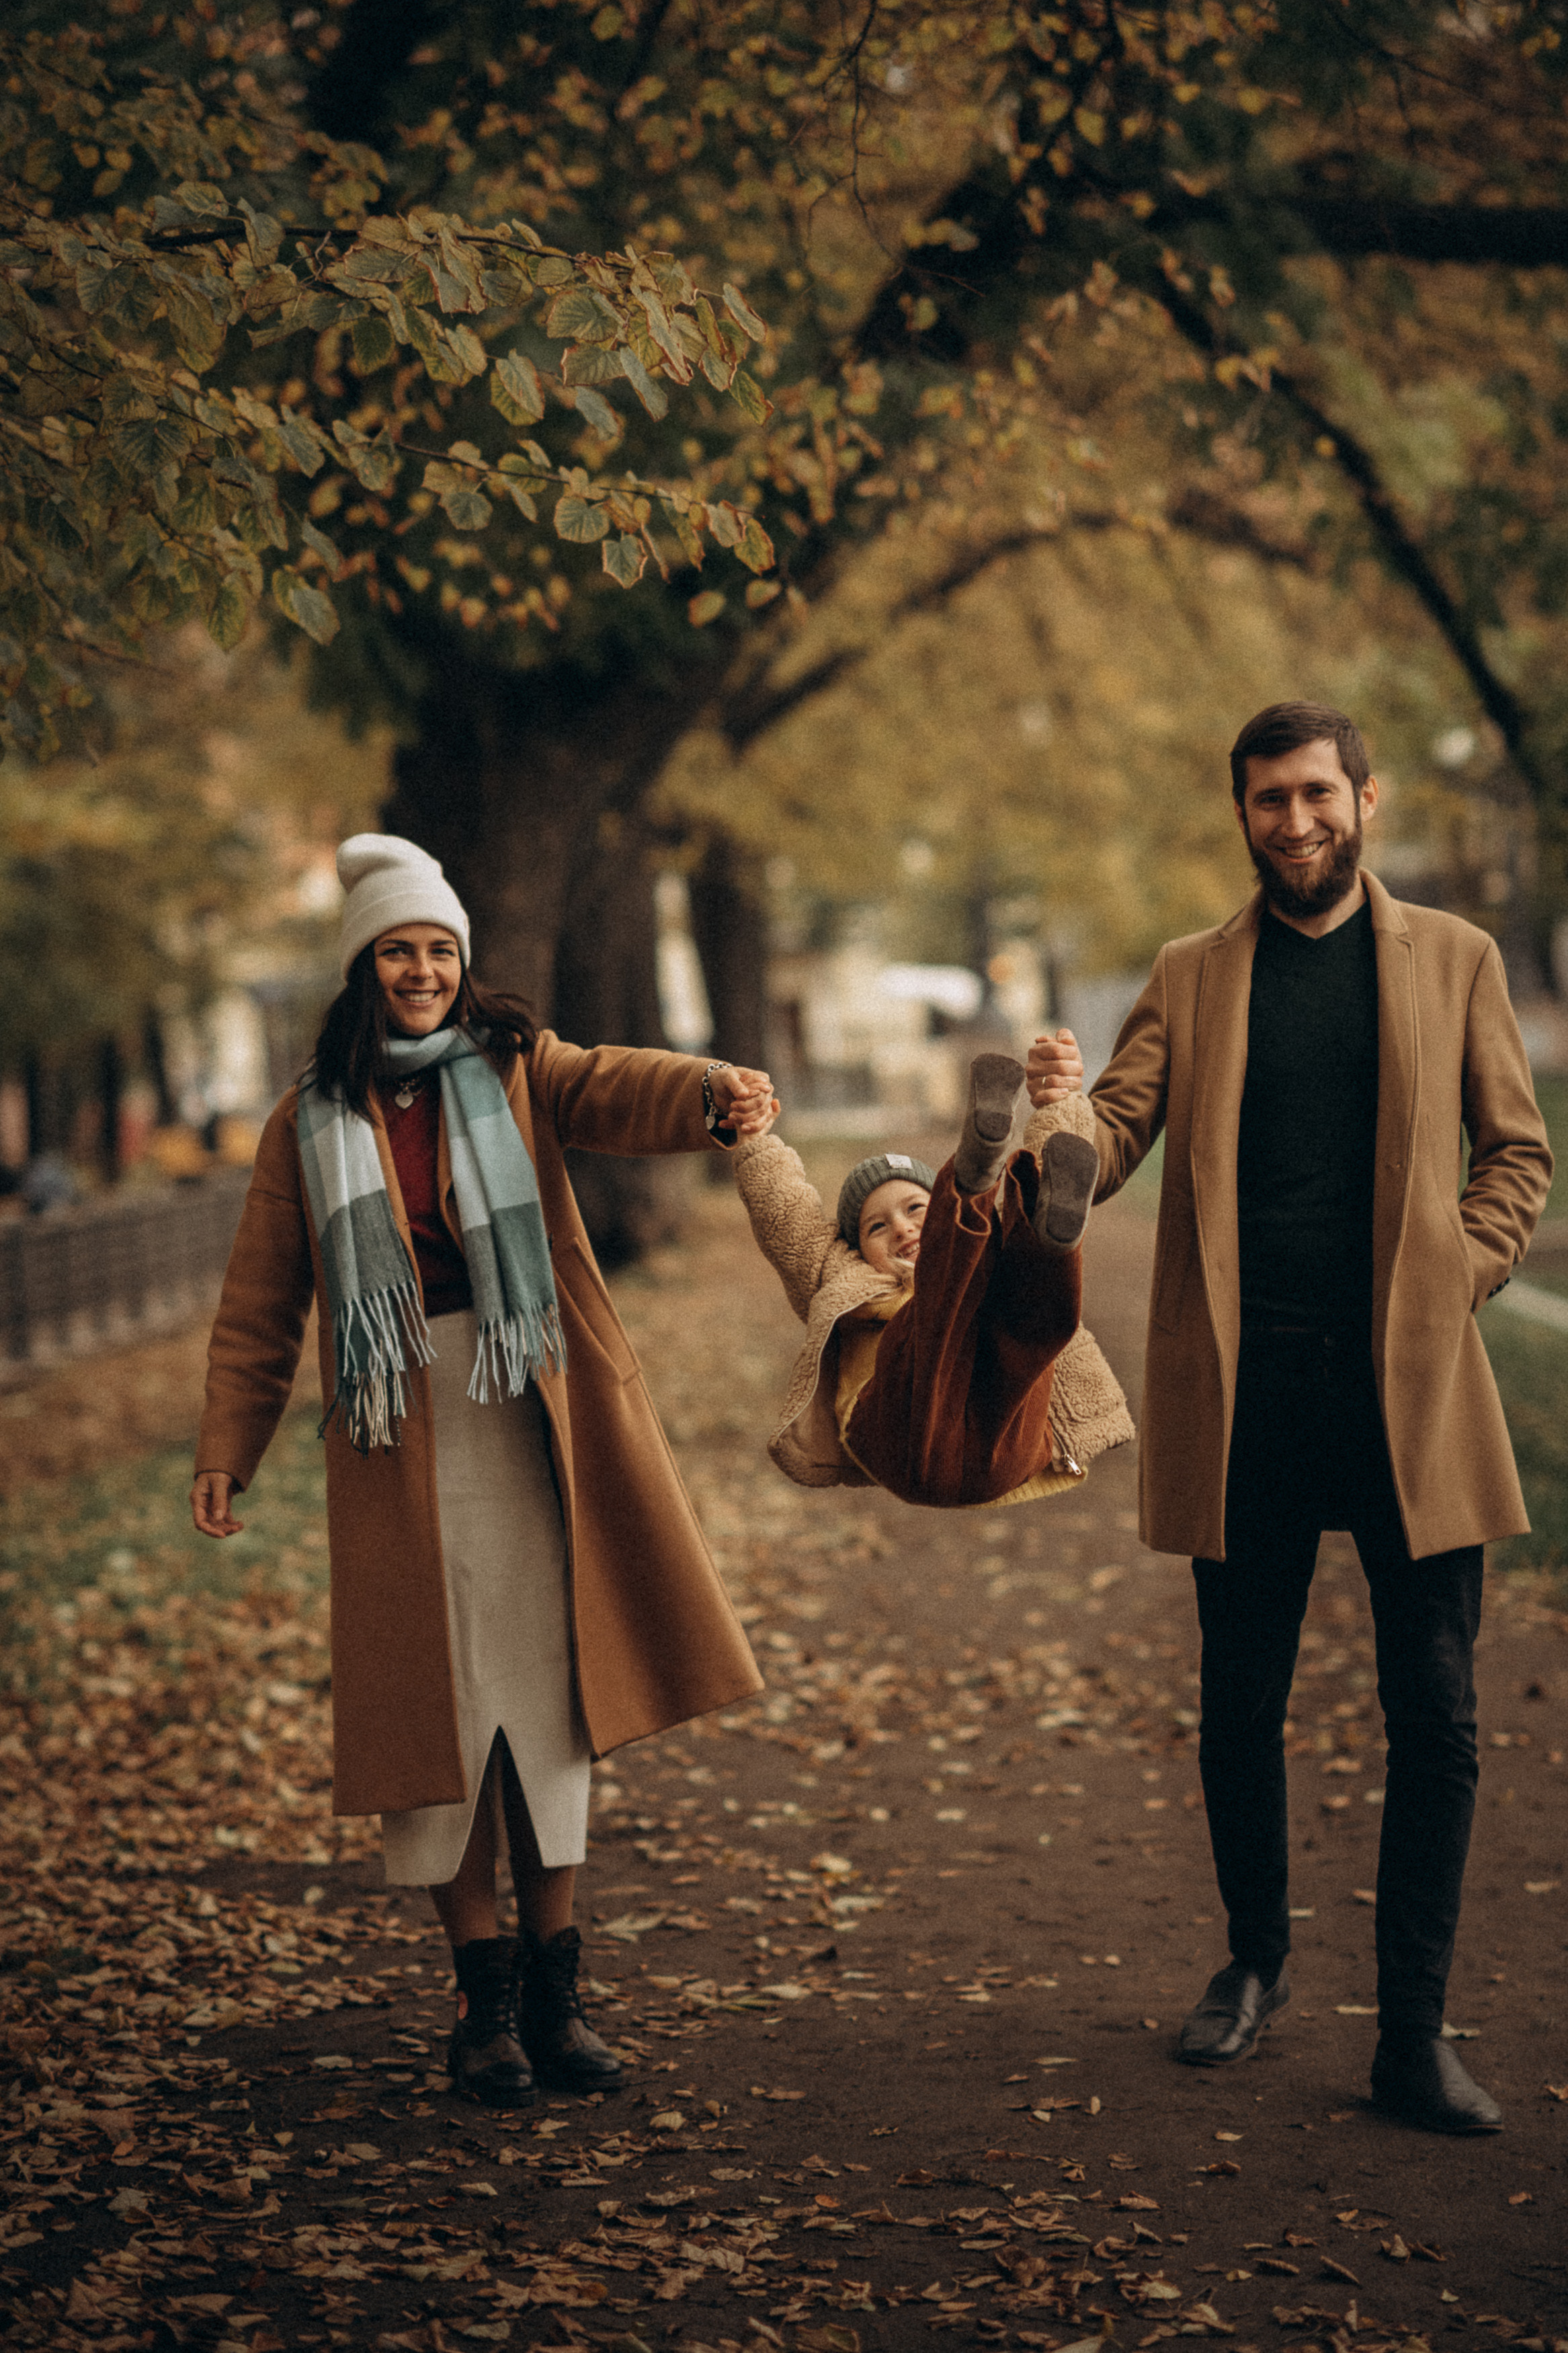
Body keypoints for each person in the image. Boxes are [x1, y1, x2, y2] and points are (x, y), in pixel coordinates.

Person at [1028, 701, 1553, 2134]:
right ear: (1242, 814)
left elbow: (1513, 1150)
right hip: (1246, 1392)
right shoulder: (1189, 975)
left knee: (1432, 1714)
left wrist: (1459, 1265)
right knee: (1236, 1702)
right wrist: (1060, 1136)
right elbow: (1120, 1126)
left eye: (1315, 794)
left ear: (1363, 800)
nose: (1294, 822)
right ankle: (1252, 1960)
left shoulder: (1452, 958)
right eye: (1267, 801)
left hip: (1409, 1394)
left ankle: (1408, 2031)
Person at [192, 834, 773, 2108]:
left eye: (438, 950)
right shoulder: (307, 1124)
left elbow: (615, 1086)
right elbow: (260, 1305)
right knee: (441, 1724)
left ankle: (560, 2000)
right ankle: (482, 2006)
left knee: (548, 1710)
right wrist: (227, 1449)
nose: (419, 970)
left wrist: (713, 1092)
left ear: (463, 964)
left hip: (533, 1418)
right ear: (363, 968)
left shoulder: (510, 1072)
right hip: (396, 1438)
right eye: (397, 951)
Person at [735, 1051, 1132, 1507]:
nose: (901, 1228)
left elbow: (1055, 1166)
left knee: (1026, 1300)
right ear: (854, 1248)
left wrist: (1057, 1105)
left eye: (916, 1210)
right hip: (904, 1440)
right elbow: (786, 1216)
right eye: (876, 1227)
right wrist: (754, 1138)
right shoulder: (837, 1276)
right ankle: (970, 1189)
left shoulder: (987, 1258)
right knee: (945, 1298)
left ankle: (1024, 1225)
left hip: (1007, 1445)